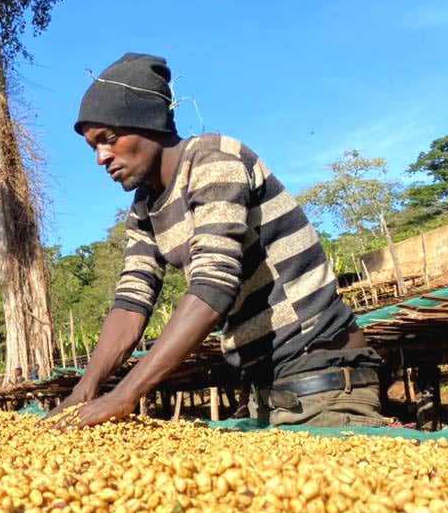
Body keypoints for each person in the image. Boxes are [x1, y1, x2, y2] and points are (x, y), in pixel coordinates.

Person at [49, 53, 386, 429]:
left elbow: (213, 284)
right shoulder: (144, 207)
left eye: (108, 139)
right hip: (268, 387)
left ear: (146, 122)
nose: (101, 158)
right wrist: (85, 390)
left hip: (320, 376)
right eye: (92, 147)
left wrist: (124, 396)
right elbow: (132, 300)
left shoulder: (213, 161)